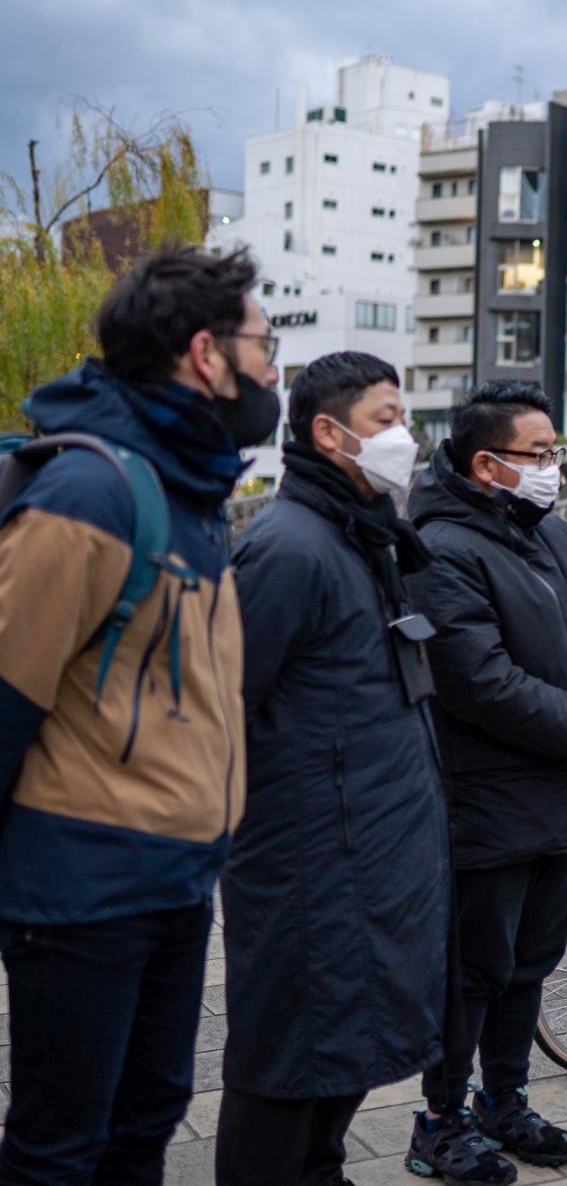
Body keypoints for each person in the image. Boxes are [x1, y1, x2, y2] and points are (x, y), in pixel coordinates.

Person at [0, 245, 279, 1184]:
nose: (272, 369)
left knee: (147, 1120)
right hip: (82, 883)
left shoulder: (189, 488)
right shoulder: (93, 492)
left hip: (174, 870)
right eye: (264, 343)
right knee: (59, 1148)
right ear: (207, 353)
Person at [215, 352, 449, 1186]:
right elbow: (223, 709)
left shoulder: (360, 535)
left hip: (372, 860)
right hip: (312, 868)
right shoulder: (288, 550)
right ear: (328, 432)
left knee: (338, 1060)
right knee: (287, 1065)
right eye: (387, 418)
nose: (405, 437)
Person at [403, 381, 567, 1183]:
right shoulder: (440, 547)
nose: (552, 468)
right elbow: (479, 679)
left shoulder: (555, 537)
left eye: (554, 452)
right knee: (474, 966)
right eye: (538, 455)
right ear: (486, 464)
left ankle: (505, 1101)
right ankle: (440, 1117)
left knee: (531, 959)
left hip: (558, 792)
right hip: (487, 794)